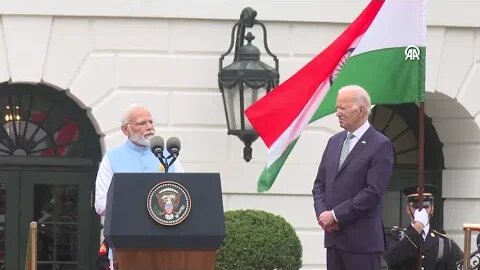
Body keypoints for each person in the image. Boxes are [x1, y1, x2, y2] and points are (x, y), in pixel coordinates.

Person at [312, 85, 394, 270]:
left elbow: (373, 192)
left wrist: (335, 215)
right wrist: (323, 214)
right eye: (337, 107)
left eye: (343, 107)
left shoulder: (380, 144)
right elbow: (319, 185)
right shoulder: (334, 142)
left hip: (362, 244)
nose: (337, 113)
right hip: (334, 240)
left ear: (361, 110)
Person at [94, 103, 184, 270]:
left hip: (165, 244)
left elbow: (184, 197)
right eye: (142, 123)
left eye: (151, 122)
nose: (149, 127)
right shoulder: (111, 159)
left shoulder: (169, 157)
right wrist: (136, 204)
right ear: (125, 130)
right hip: (125, 245)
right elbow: (100, 205)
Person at [383, 185, 463, 270]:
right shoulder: (396, 236)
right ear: (407, 209)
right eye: (416, 207)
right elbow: (391, 259)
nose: (421, 211)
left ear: (432, 209)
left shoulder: (445, 244)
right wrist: (417, 227)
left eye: (426, 207)